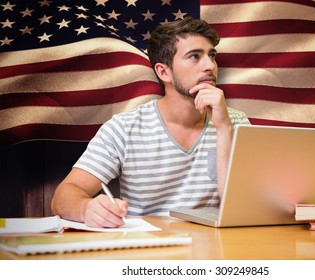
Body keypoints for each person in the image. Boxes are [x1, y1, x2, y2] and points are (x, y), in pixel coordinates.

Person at [51, 17, 250, 228]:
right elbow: (62, 198)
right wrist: (87, 209)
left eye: (212, 56)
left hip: (216, 250)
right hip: (148, 249)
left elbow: (243, 206)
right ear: (164, 72)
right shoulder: (124, 128)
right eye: (194, 56)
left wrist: (223, 128)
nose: (210, 66)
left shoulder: (235, 123)